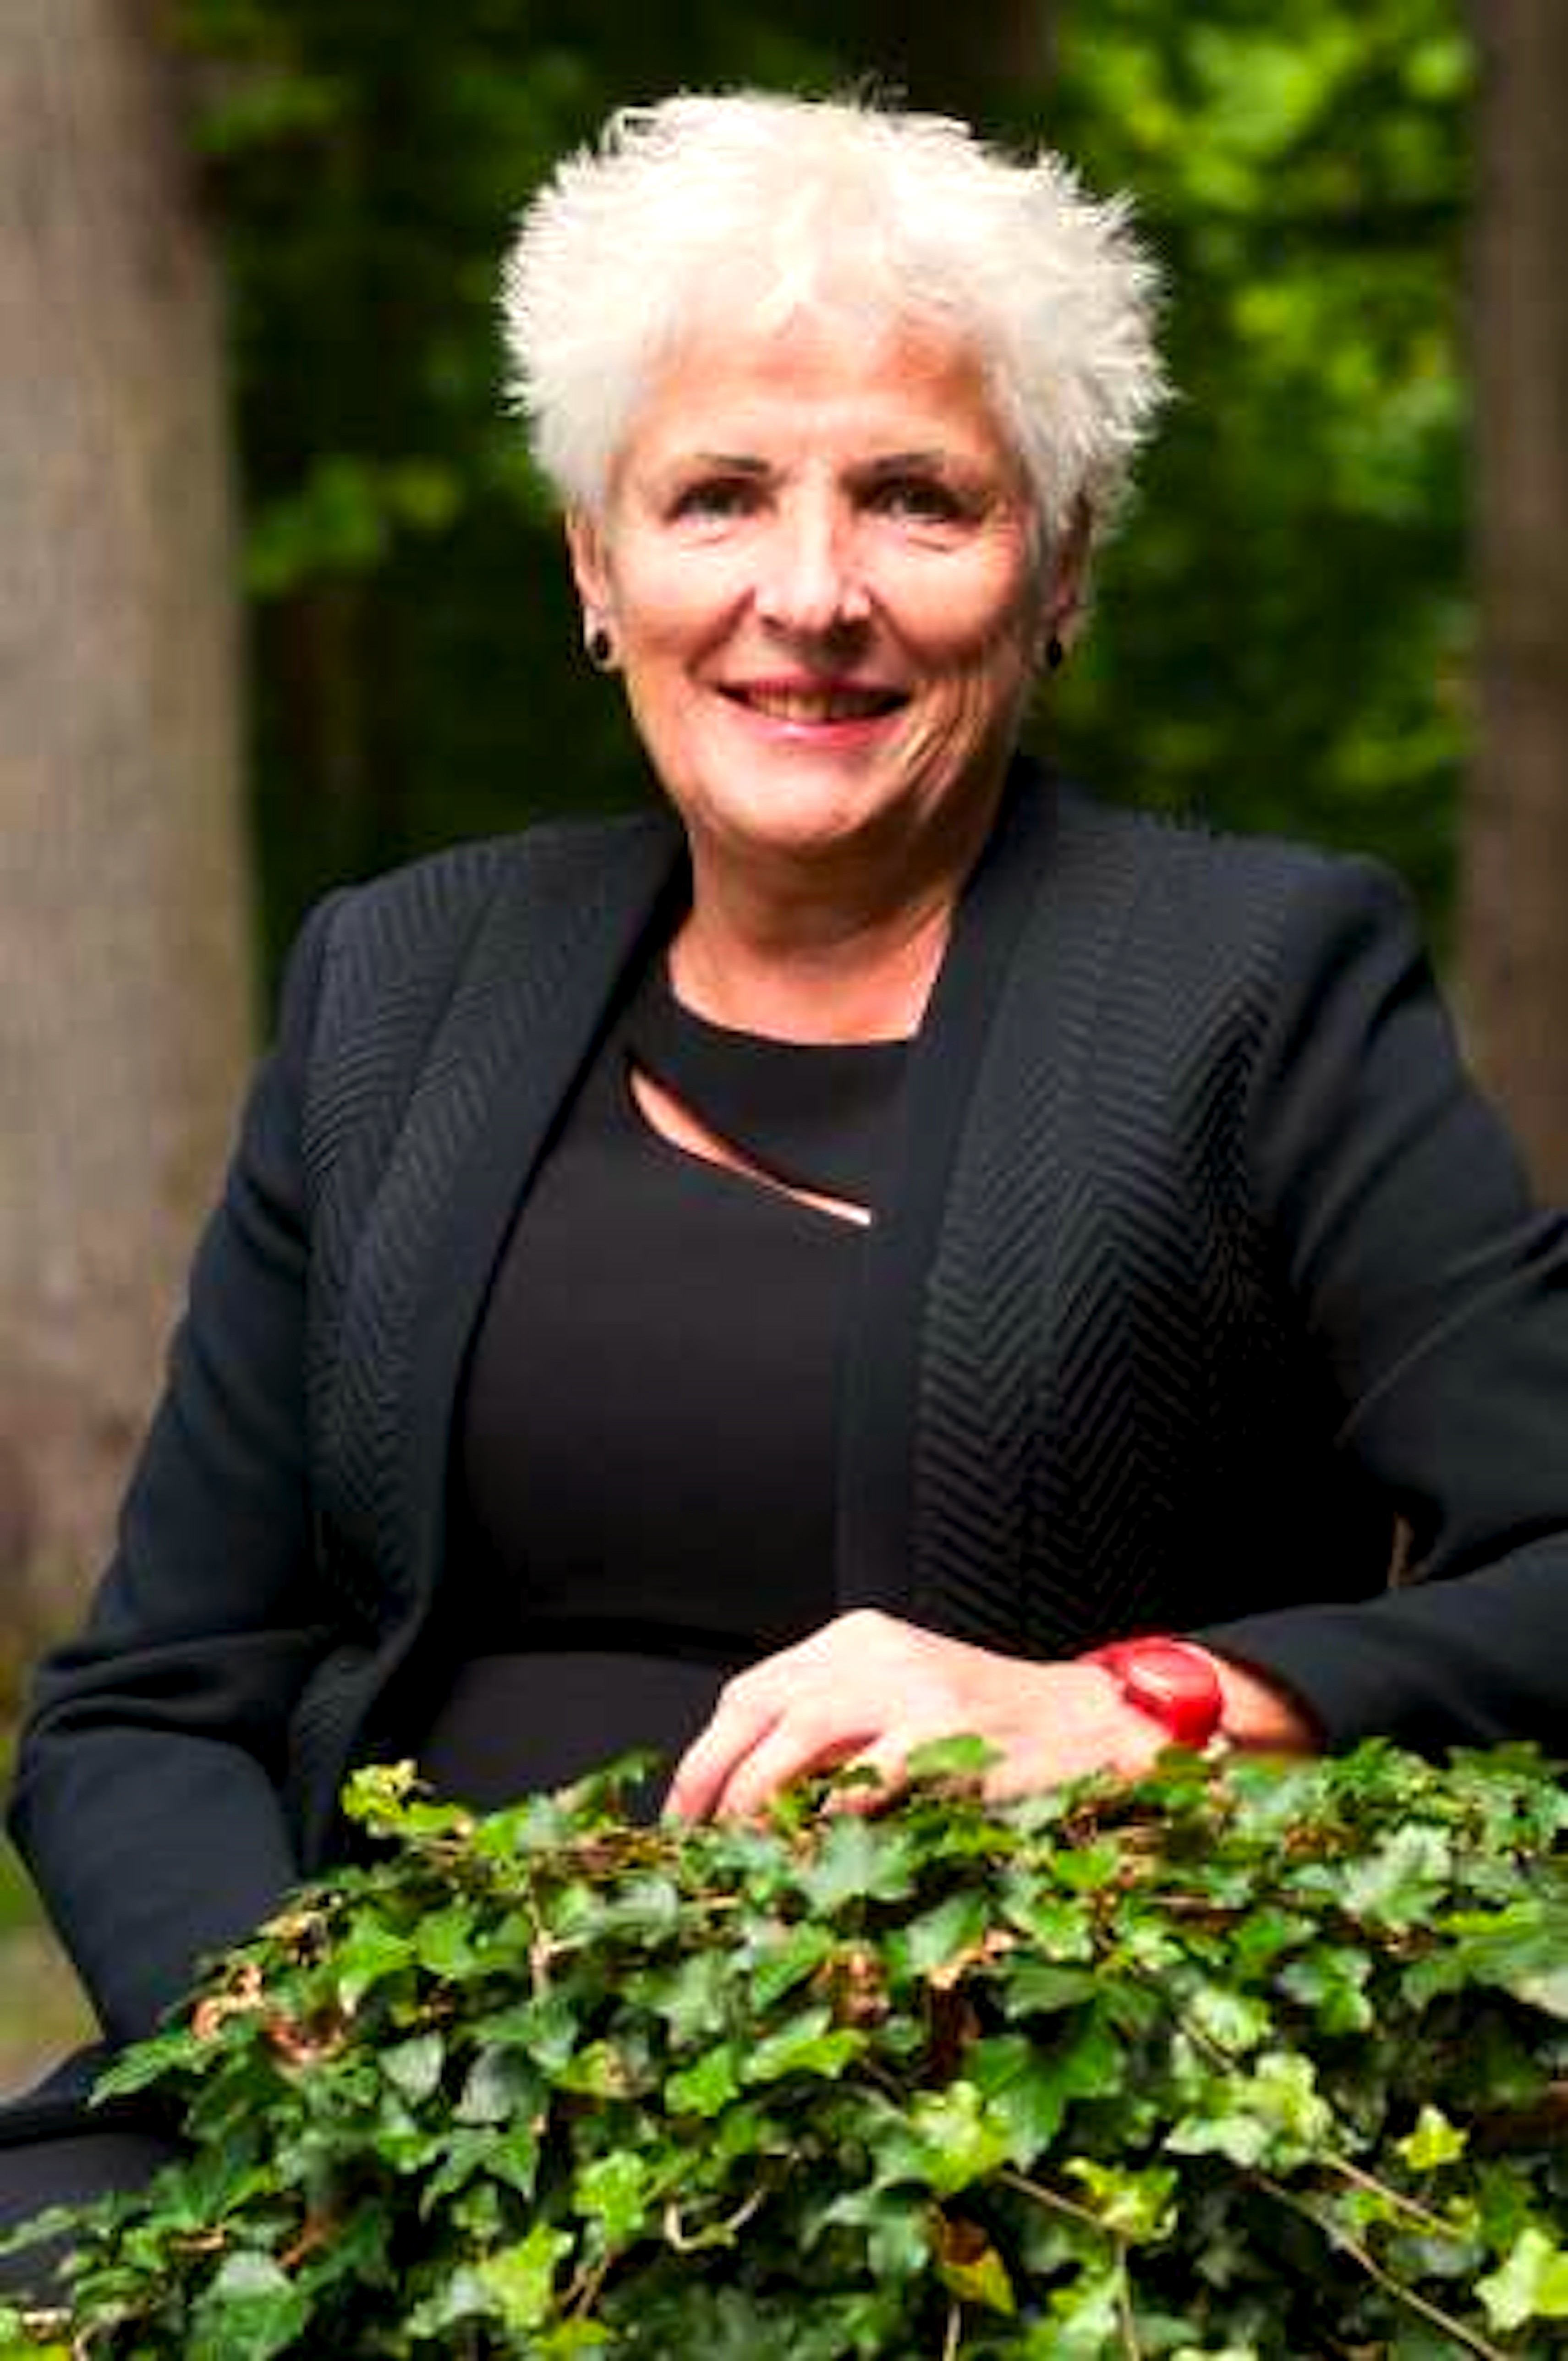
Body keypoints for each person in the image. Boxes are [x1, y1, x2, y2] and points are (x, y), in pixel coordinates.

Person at [5, 87, 1568, 2274]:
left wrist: (1137, 1706)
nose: (809, 595)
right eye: (718, 494)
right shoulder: (402, 981)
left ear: (1058, 570)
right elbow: (155, 1695)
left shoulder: (1251, 983)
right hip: (342, 2117)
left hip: (989, 2145)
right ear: (596, 563)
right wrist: (308, 2063)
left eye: (915, 498)